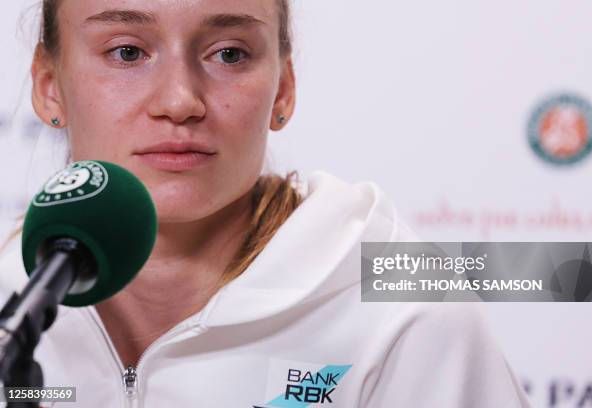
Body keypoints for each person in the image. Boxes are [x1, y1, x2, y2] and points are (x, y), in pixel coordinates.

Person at [0, 0, 532, 406]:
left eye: (229, 53)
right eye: (127, 52)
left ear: (283, 89)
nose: (179, 101)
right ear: (49, 86)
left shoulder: (409, 316)